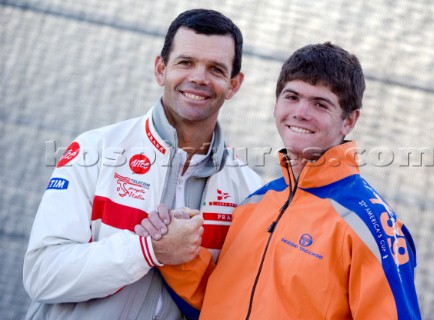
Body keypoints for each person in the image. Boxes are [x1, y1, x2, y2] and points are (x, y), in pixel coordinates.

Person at [140, 42, 422, 319]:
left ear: (349, 121)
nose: (301, 112)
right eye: (292, 96)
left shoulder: (371, 225)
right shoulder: (254, 204)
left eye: (320, 104)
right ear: (276, 104)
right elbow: (216, 302)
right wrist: (179, 253)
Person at [23, 9, 262, 320]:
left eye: (215, 69)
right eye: (185, 62)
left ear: (234, 84)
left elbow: (240, 305)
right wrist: (148, 250)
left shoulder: (249, 191)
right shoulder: (94, 151)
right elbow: (43, 274)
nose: (198, 78)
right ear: (161, 69)